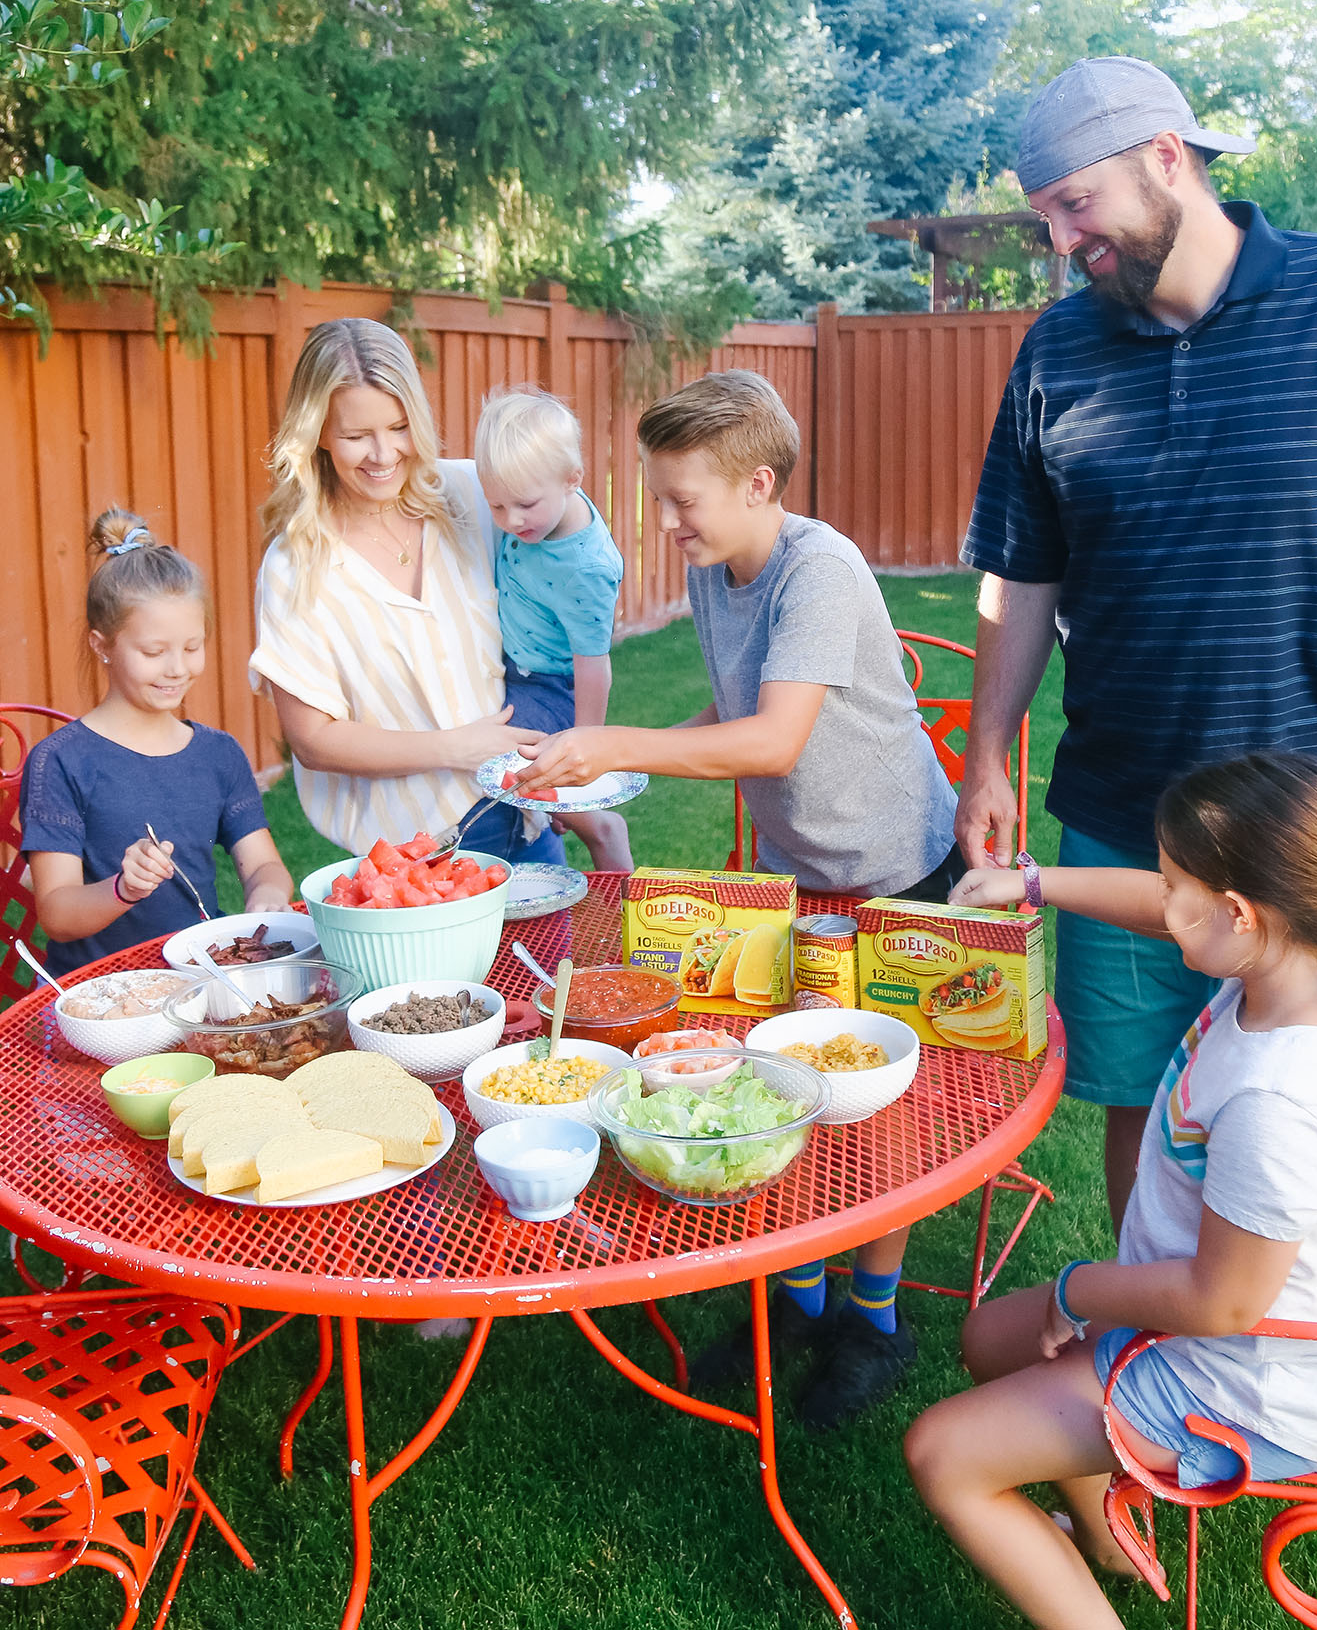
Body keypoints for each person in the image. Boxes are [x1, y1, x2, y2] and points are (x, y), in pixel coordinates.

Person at [956, 55, 1317, 1230]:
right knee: (1143, 1117)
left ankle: (1315, 1376)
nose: (1060, 240)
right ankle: (1145, 1371)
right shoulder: (1057, 351)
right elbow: (1024, 569)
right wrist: (988, 749)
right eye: (1045, 214)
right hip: (1126, 818)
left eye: (1076, 204)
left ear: (1166, 158)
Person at [514, 368, 961, 1427]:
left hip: (900, 866)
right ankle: (800, 1297)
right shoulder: (721, 566)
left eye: (683, 501)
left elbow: (772, 738)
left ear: (759, 484)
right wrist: (610, 760)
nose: (665, 523)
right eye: (659, 497)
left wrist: (615, 742)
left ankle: (877, 1319)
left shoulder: (823, 568)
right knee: (788, 1071)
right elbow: (738, 704)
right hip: (805, 867)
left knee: (878, 1098)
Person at [905, 752, 1317, 1630]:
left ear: (1238, 913)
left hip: (1248, 1382)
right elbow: (1170, 915)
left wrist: (1081, 1289)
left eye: (1174, 879)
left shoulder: (1279, 1102)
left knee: (942, 1452)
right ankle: (1112, 1538)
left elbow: (1221, 1302)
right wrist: (1031, 882)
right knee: (990, 1338)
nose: (1162, 895)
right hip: (1225, 1327)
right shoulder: (1304, 958)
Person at [250, 318, 562, 872]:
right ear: (317, 431)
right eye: (356, 436)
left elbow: (570, 556)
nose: (383, 453)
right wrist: (455, 747)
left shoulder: (473, 494)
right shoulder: (294, 565)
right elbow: (314, 740)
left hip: (524, 809)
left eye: (399, 426)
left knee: (549, 962)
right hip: (409, 855)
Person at [22, 508, 293, 973]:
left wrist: (266, 895)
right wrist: (123, 888)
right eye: (153, 652)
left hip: (199, 977)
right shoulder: (62, 761)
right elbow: (58, 913)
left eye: (192, 647)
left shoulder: (218, 754)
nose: (177, 668)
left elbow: (263, 865)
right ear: (101, 645)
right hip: (104, 994)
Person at [472, 386, 632, 872]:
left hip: (552, 687)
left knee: (499, 752)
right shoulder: (540, 505)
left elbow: (594, 669)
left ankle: (602, 828)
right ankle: (562, 810)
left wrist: (585, 750)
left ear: (572, 480)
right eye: (496, 507)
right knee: (523, 772)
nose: (510, 520)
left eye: (523, 504)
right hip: (516, 666)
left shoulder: (584, 567)